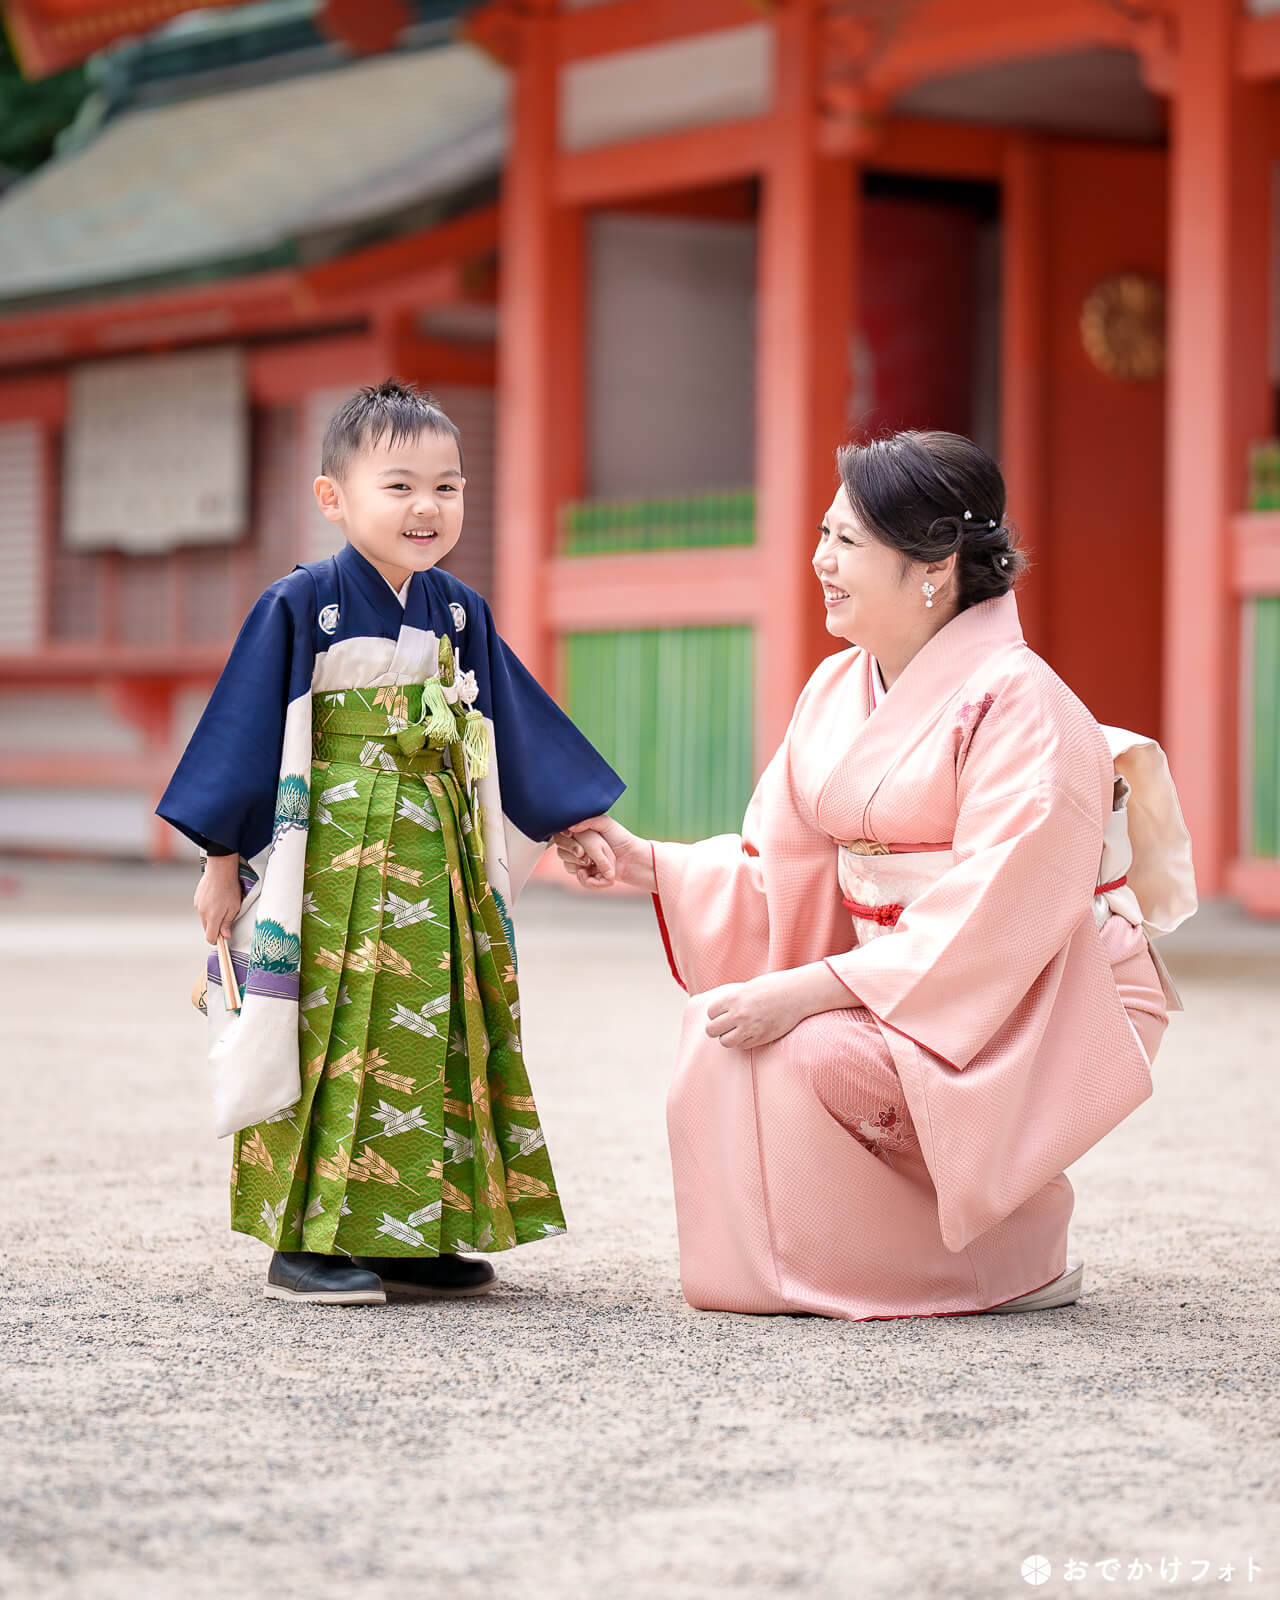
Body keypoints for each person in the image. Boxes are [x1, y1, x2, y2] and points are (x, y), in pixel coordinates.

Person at [559, 430, 1196, 1320]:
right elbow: (779, 868)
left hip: (1040, 989)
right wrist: (646, 864)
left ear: (933, 564)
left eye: (847, 541)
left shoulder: (1028, 706)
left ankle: (1001, 1261)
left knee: (805, 1052)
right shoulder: (833, 689)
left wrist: (813, 991)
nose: (820, 559)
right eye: (824, 534)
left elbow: (998, 913)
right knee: (722, 1033)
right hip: (901, 978)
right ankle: (814, 1268)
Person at [159, 379, 622, 1306]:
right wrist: (221, 863)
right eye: (400, 485)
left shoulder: (458, 612)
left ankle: (415, 1228)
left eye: (448, 487)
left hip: (435, 847)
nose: (427, 507)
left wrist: (578, 820)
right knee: (329, 1026)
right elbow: (245, 733)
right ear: (334, 497)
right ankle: (305, 1237)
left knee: (439, 1022)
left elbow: (515, 727)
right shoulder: (304, 604)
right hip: (326, 852)